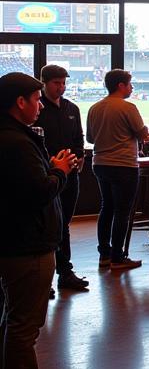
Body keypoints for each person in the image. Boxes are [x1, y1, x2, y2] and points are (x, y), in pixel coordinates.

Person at [0, 72, 77, 369]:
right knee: (25, 322)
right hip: (27, 243)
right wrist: (60, 171)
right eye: (35, 99)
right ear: (20, 103)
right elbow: (39, 191)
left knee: (13, 317)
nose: (40, 105)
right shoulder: (15, 142)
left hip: (17, 238)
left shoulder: (13, 136)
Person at [87, 69, 148, 269]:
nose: (132, 88)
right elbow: (141, 133)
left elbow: (89, 139)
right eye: (130, 84)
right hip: (123, 164)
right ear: (121, 86)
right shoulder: (128, 107)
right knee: (123, 212)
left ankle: (104, 253)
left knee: (107, 208)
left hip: (100, 163)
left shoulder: (95, 108)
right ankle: (117, 257)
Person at [37, 64, 88, 292]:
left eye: (64, 83)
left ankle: (65, 272)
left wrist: (77, 158)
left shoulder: (72, 108)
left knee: (64, 224)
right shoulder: (37, 109)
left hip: (70, 175)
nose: (61, 87)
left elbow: (79, 138)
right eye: (57, 83)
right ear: (44, 83)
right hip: (45, 175)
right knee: (45, 225)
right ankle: (43, 278)